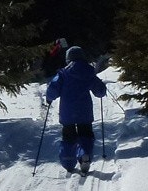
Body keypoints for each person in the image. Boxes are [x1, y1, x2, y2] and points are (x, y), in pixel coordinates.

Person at [45, 45, 107, 175]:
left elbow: (53, 88)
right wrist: (102, 89)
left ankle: (68, 163)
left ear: (68, 59)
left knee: (68, 137)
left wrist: (49, 98)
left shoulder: (63, 73)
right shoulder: (89, 72)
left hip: (67, 112)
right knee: (86, 135)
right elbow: (100, 91)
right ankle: (84, 155)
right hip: (84, 111)